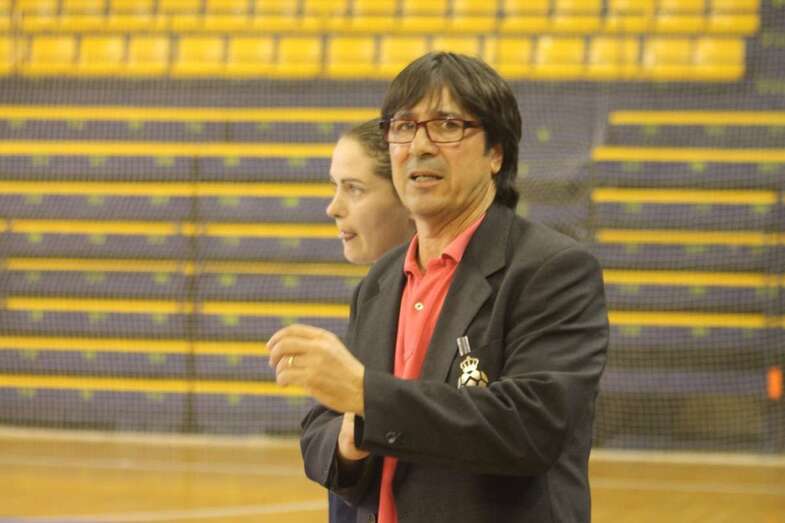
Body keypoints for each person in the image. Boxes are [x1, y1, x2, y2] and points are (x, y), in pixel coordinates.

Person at [269, 52, 609, 523]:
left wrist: (368, 397)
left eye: (447, 125)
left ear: (496, 153)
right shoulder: (380, 282)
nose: (420, 145)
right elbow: (326, 431)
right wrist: (349, 437)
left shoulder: (552, 270)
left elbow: (529, 428)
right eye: (404, 126)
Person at [325, 119, 414, 522]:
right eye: (335, 186)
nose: (333, 207)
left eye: (354, 189)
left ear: (409, 195)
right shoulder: (371, 294)